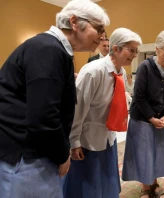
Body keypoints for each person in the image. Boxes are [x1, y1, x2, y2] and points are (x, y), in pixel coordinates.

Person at [0, 0, 109, 197]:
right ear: (74, 22)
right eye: (99, 28)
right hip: (26, 157)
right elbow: (43, 117)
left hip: (29, 152)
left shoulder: (52, 49)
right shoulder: (48, 50)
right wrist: (62, 155)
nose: (102, 36)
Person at [63, 27, 142, 198]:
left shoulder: (120, 71)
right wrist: (74, 141)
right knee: (86, 185)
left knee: (106, 181)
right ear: (116, 48)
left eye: (136, 50)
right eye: (131, 50)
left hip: (108, 136)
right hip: (87, 140)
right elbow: (77, 109)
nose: (135, 54)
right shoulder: (93, 72)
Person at [122, 30, 164, 198]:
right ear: (157, 49)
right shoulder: (145, 67)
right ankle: (146, 188)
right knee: (144, 154)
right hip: (143, 118)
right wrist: (151, 118)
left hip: (161, 118)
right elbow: (139, 96)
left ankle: (154, 182)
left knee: (157, 153)